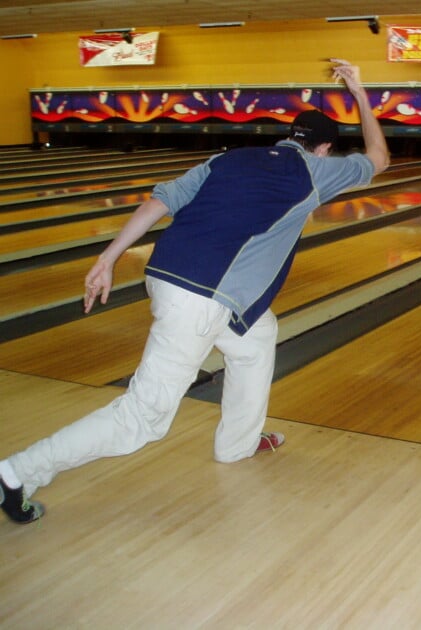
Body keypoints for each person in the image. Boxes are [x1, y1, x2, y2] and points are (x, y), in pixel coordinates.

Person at [0, 59, 389, 525]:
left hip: (167, 274)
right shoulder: (316, 171)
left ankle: (238, 443)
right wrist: (359, 93)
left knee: (257, 336)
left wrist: (108, 258)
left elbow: (158, 202)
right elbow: (380, 158)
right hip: (201, 298)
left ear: (288, 135)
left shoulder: (226, 158)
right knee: (142, 417)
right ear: (324, 148)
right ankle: (17, 473)